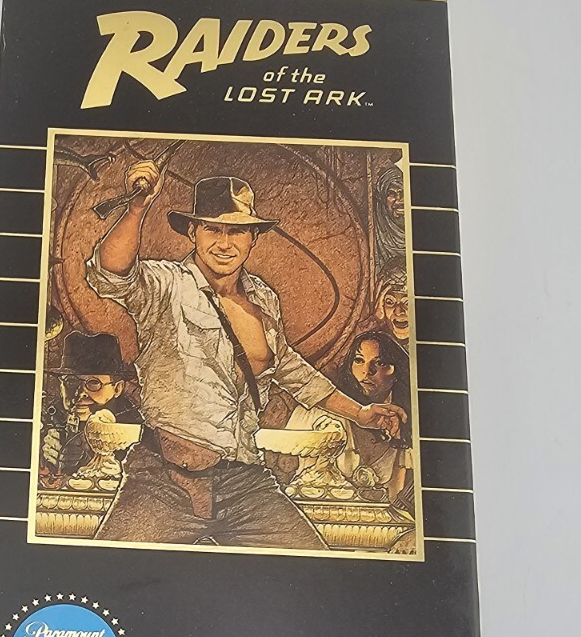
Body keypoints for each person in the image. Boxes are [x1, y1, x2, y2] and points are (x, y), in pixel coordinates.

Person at [85, 164, 404, 548]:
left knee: (311, 563)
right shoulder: (167, 285)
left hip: (244, 481)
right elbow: (111, 272)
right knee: (109, 568)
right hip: (165, 481)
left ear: (253, 237)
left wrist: (360, 413)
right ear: (193, 232)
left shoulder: (263, 299)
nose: (224, 243)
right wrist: (137, 209)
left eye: (236, 231)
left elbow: (291, 370)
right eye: (213, 229)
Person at [39, 331, 148, 481]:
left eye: (93, 383)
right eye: (71, 381)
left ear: (117, 389)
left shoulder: (134, 423)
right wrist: (43, 450)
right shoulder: (49, 415)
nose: (80, 393)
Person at [336, 327, 414, 510]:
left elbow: (396, 498)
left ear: (397, 372)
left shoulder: (402, 423)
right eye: (359, 360)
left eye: (379, 363)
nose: (367, 371)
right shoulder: (333, 416)